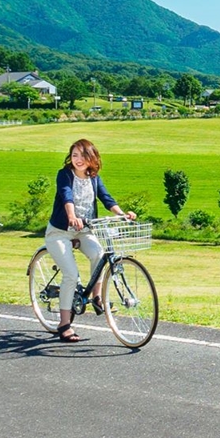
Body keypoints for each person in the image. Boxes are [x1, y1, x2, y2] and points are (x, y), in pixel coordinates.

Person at [44, 138, 135, 342]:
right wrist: (71, 215)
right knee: (70, 274)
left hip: (85, 230)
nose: (78, 159)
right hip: (60, 231)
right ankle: (64, 324)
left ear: (91, 158)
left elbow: (106, 198)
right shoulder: (64, 174)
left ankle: (96, 297)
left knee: (98, 254)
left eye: (82, 155)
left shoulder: (93, 177)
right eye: (74, 155)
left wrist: (121, 214)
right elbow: (66, 195)